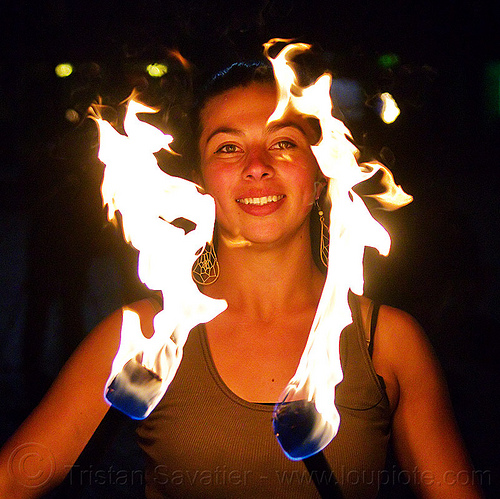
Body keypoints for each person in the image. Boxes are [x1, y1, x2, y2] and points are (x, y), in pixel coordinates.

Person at [0, 60, 484, 499]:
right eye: (228, 147)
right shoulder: (145, 336)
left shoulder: (388, 342)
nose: (257, 167)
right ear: (200, 184)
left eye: (283, 143)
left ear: (320, 175)